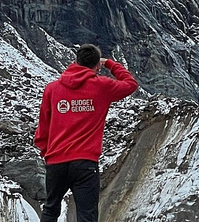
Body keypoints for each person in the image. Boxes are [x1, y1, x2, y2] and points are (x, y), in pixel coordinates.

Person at [34, 43, 138, 222]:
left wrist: (47, 154)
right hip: (85, 163)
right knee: (87, 215)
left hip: (56, 161)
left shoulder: (52, 89)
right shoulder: (102, 86)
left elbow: (43, 127)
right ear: (97, 65)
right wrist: (110, 64)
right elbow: (130, 84)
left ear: (75, 61)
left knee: (50, 210)